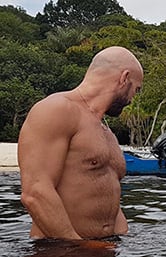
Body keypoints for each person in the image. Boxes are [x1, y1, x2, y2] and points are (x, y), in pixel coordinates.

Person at [18, 46, 143, 241]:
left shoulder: (106, 132)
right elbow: (35, 193)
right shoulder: (56, 109)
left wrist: (124, 241)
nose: (133, 98)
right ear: (124, 78)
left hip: (105, 254)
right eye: (136, 89)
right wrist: (82, 247)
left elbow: (109, 195)